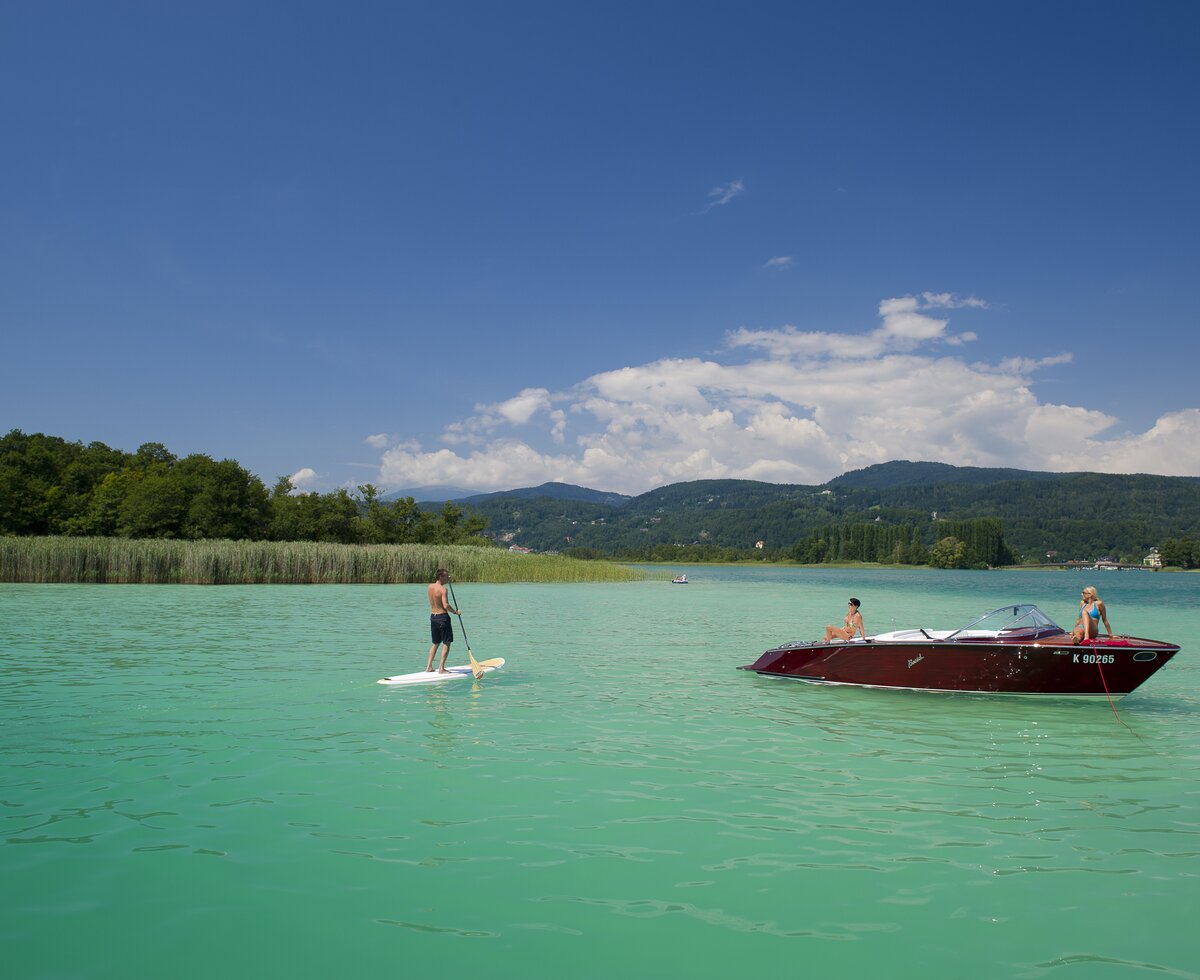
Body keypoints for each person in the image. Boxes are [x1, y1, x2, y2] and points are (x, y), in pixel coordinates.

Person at [426, 568, 461, 673]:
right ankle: (441, 668)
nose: (448, 577)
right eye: (446, 576)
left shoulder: (430, 587)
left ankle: (429, 667)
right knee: (447, 642)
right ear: (440, 577)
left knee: (436, 643)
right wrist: (455, 612)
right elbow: (445, 605)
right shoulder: (443, 590)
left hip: (433, 617)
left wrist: (448, 581)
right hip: (443, 618)